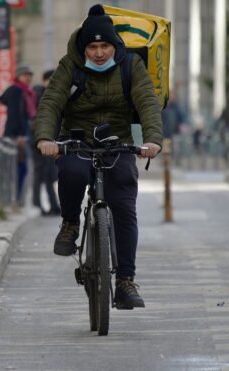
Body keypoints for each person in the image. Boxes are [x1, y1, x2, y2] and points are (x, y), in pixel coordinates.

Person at [33, 4, 162, 309]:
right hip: (77, 140)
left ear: (114, 46)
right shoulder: (70, 66)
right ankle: (70, 223)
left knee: (124, 205)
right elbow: (51, 102)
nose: (100, 53)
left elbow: (147, 102)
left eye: (105, 46)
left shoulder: (131, 65)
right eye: (93, 47)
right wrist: (45, 139)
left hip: (118, 143)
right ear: (84, 47)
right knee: (72, 174)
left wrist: (153, 139)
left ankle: (126, 281)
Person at [0, 64, 36, 204]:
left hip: (20, 132)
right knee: (20, 167)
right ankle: (16, 198)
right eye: (25, 75)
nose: (28, 78)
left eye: (30, 75)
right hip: (18, 134)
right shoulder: (16, 90)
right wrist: (19, 136)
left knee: (19, 166)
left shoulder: (25, 91)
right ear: (18, 76)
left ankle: (16, 197)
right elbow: (15, 114)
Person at [32, 69, 61, 216]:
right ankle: (37, 203)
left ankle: (53, 205)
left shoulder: (56, 95)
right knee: (41, 174)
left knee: (49, 175)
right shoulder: (39, 94)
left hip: (52, 141)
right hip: (40, 141)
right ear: (45, 80)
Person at [212, 96, 229, 163]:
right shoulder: (227, 110)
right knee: (226, 140)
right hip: (227, 128)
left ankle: (227, 153)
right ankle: (225, 153)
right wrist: (214, 127)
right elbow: (220, 119)